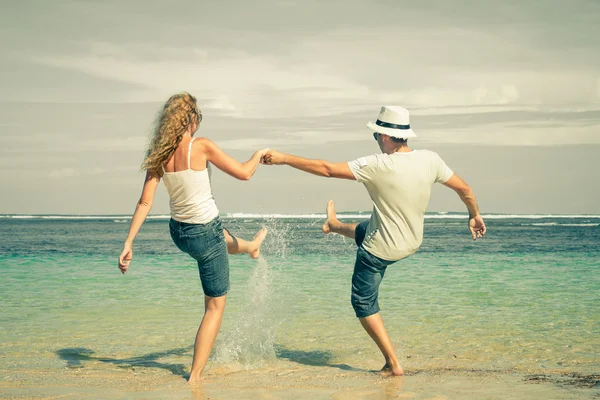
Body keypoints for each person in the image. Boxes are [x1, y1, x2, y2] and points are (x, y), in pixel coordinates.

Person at [262, 105, 486, 376]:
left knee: (363, 303)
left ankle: (393, 363)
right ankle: (333, 225)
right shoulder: (431, 159)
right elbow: (464, 188)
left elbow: (327, 169)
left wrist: (284, 158)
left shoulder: (377, 165)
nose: (376, 141)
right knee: (370, 225)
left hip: (378, 251)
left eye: (376, 135)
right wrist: (474, 215)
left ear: (385, 136)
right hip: (411, 241)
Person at [117, 92, 269, 383]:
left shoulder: (159, 152)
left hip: (180, 232)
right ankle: (196, 376)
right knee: (214, 307)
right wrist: (258, 155)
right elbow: (244, 173)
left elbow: (144, 203)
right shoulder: (201, 146)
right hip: (205, 232)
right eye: (198, 116)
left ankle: (250, 246)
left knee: (218, 236)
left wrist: (128, 242)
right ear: (190, 120)